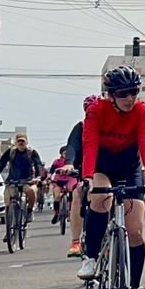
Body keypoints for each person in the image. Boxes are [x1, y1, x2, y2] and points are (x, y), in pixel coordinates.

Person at [78, 66, 145, 289]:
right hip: (102, 165)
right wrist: (88, 177)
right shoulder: (96, 111)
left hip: (130, 166)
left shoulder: (143, 111)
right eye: (123, 94)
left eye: (133, 92)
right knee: (100, 198)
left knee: (135, 230)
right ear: (110, 95)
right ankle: (91, 257)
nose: (129, 98)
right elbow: (89, 143)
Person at [59, 95, 101, 258]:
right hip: (86, 172)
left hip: (108, 170)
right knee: (78, 194)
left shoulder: (111, 124)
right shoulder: (81, 127)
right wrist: (69, 162)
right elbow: (72, 146)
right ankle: (76, 241)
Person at [0, 133, 45, 220]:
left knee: (31, 191)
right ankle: (9, 227)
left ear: (26, 142)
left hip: (28, 180)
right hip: (12, 181)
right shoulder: (11, 152)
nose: (21, 143)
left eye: (23, 141)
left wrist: (38, 177)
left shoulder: (32, 153)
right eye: (19, 141)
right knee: (7, 199)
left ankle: (29, 211)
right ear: (16, 143)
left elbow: (38, 165)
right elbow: (2, 164)